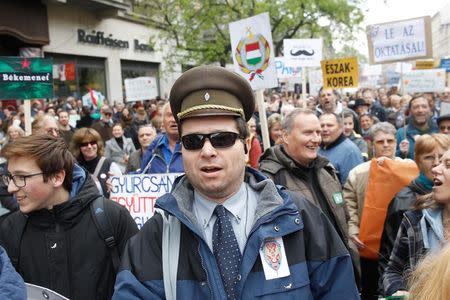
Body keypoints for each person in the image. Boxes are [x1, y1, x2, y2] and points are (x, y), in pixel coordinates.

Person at [113, 66, 359, 299]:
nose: (207, 151)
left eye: (222, 139)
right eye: (194, 141)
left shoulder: (301, 219)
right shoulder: (156, 238)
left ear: (245, 144)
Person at [0, 134, 138, 299]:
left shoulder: (112, 217)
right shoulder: (11, 228)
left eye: (21, 177)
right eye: (9, 177)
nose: (11, 188)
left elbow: (139, 286)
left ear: (57, 177)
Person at [259, 108, 359, 276]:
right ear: (285, 136)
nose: (316, 139)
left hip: (341, 273)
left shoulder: (327, 171)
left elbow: (344, 218)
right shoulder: (269, 179)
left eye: (318, 132)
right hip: (305, 279)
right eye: (308, 133)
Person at [344, 122, 410, 300]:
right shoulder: (358, 173)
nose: (386, 145)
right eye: (381, 141)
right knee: (371, 289)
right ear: (372, 144)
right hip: (369, 243)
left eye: (390, 140)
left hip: (401, 242)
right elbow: (348, 204)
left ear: (396, 142)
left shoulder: (409, 167)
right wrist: (353, 230)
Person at [378, 133, 450, 293]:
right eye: (429, 157)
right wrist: (397, 290)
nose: (436, 166)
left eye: (448, 164)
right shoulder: (414, 217)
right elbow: (392, 269)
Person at [70, 128, 122, 197]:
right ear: (78, 147)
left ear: (97, 144)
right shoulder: (76, 167)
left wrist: (115, 184)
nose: (89, 146)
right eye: (85, 144)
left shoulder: (110, 165)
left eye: (92, 143)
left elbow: (121, 191)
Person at [319, 112, 364, 185]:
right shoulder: (318, 148)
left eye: (329, 125)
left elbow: (354, 187)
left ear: (340, 128)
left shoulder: (350, 152)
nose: (325, 129)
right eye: (322, 126)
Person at [140, 102, 183, 174]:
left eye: (177, 115)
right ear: (163, 121)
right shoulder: (154, 146)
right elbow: (141, 175)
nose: (173, 119)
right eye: (169, 115)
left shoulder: (194, 145)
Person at [396, 94, 438, 159]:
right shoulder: (401, 133)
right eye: (416, 107)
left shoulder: (439, 131)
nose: (420, 110)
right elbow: (392, 159)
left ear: (430, 111)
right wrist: (400, 153)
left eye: (424, 107)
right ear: (410, 112)